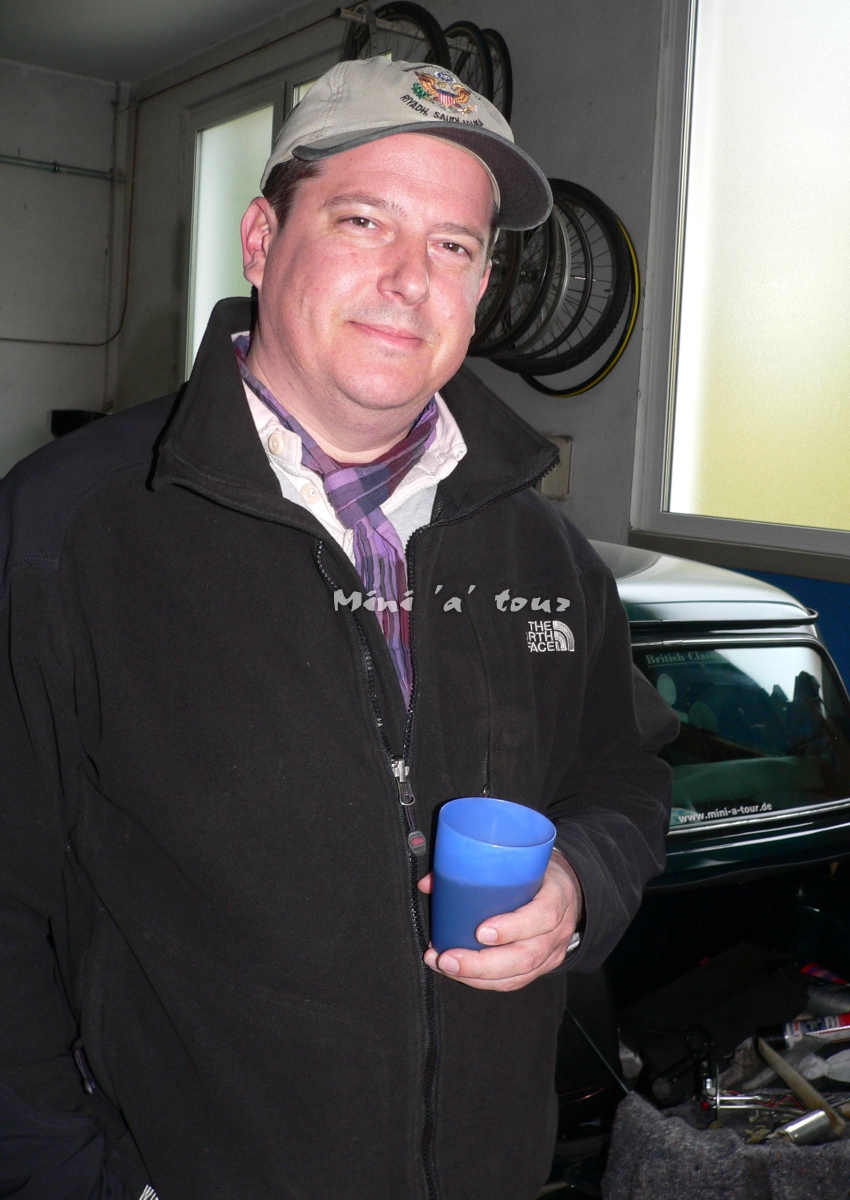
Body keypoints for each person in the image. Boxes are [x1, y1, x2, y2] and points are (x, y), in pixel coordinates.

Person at [0, 58, 677, 1200]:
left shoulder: (545, 552)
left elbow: (626, 775)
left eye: (454, 245)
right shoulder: (71, 530)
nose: (411, 279)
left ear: (481, 285)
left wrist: (580, 881)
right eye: (364, 221)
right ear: (262, 241)